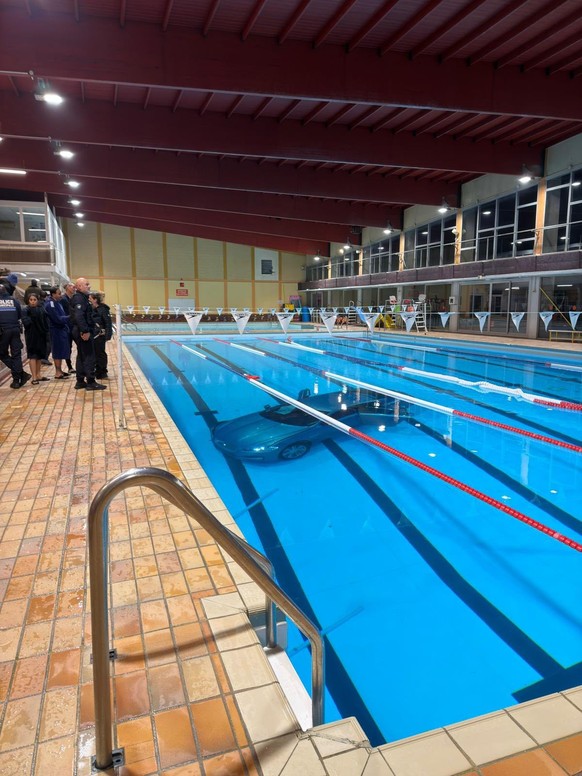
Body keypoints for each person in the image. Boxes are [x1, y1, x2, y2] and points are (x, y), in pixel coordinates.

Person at [69, 277, 106, 391]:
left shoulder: (82, 298)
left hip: (79, 329)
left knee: (81, 355)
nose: (89, 286)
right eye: (86, 284)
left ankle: (80, 381)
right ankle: (91, 381)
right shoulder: (79, 299)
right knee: (89, 356)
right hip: (82, 330)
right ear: (79, 286)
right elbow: (79, 316)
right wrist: (84, 331)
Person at [0, 277, 31, 389]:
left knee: (2, 354)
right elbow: (19, 315)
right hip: (15, 330)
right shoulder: (14, 301)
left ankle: (20, 375)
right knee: (16, 355)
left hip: (3, 331)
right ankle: (17, 380)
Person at [21, 293, 50, 385]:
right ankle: (34, 377)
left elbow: (46, 322)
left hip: (41, 335)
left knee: (39, 356)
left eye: (34, 300)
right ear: (28, 300)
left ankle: (38, 375)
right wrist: (33, 316)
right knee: (33, 356)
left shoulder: (42, 309)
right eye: (31, 300)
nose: (33, 302)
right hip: (31, 335)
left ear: (37, 300)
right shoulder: (26, 310)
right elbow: (26, 322)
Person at [44, 286, 71, 379]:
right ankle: (58, 372)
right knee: (57, 350)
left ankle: (59, 370)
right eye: (59, 294)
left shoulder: (57, 303)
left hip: (61, 329)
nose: (60, 295)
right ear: (53, 294)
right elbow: (57, 319)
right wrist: (69, 317)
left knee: (61, 350)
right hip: (56, 330)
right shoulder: (50, 304)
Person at [89, 292, 113, 379]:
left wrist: (108, 335)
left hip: (100, 335)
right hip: (93, 335)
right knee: (95, 353)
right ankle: (97, 370)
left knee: (100, 353)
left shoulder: (103, 309)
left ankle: (102, 371)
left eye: (90, 298)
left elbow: (108, 323)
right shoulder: (92, 308)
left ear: (95, 300)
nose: (89, 300)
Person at [60, 282, 76, 373]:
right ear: (67, 288)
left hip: (75, 325)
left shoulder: (74, 298)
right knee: (68, 347)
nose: (74, 288)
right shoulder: (63, 299)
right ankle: (69, 367)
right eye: (72, 286)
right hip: (67, 326)